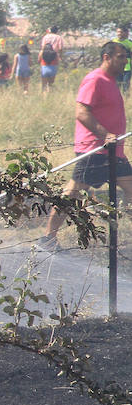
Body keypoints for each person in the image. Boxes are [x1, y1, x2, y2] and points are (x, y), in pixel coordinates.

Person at [35, 41, 132, 252]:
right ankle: (48, 238)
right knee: (73, 193)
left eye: (126, 57)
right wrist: (104, 133)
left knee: (131, 189)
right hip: (94, 150)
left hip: (114, 151)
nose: (125, 61)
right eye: (121, 56)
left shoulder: (111, 81)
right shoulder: (95, 79)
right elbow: (81, 112)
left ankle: (122, 232)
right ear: (107, 57)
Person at [39, 27, 63, 94]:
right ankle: (49, 95)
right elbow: (60, 48)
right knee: (51, 83)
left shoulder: (45, 37)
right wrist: (60, 56)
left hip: (45, 58)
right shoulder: (58, 37)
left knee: (44, 83)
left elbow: (43, 47)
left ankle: (44, 95)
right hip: (54, 58)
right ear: (57, 31)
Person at [117, 25, 132, 92]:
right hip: (116, 68)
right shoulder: (113, 42)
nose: (118, 33)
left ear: (124, 33)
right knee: (117, 86)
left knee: (125, 87)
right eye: (117, 32)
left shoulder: (129, 43)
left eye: (120, 32)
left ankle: (125, 100)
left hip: (127, 68)